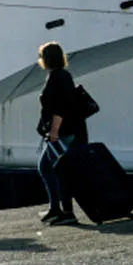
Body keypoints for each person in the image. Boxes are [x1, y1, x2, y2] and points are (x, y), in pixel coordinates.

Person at [38, 42, 86, 226]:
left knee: (57, 170)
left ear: (47, 59)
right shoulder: (61, 75)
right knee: (49, 167)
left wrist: (54, 132)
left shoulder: (57, 77)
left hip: (64, 131)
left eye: (42, 56)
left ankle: (66, 212)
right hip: (68, 130)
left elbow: (61, 107)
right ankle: (56, 208)